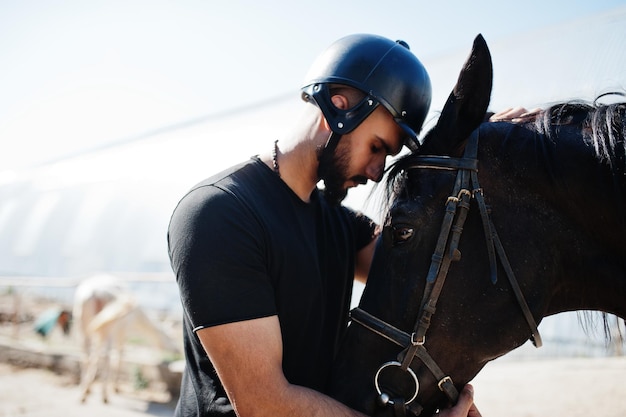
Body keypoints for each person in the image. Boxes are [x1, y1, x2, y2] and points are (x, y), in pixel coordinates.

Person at [168, 33, 504, 417]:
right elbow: (264, 404)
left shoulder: (342, 226)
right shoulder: (218, 215)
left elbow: (429, 259)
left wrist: (490, 148)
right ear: (337, 109)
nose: (378, 173)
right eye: (377, 147)